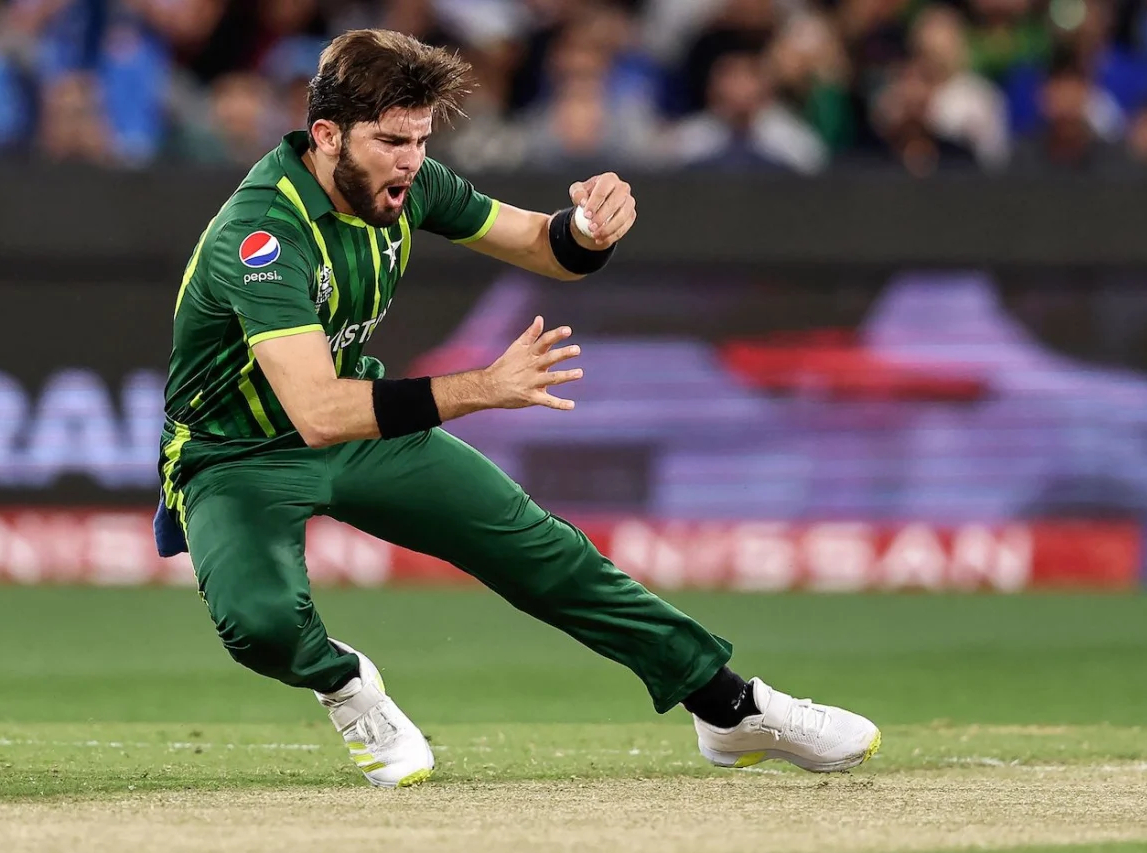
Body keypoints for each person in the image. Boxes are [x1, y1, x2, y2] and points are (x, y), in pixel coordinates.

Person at [153, 28, 881, 789]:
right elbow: (318, 412)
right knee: (261, 625)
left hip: (358, 430)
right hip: (235, 453)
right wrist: (483, 387)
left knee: (544, 553)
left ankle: (731, 708)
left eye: (422, 139)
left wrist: (590, 231)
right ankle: (346, 686)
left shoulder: (411, 181)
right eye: (391, 140)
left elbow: (540, 243)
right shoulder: (262, 234)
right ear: (326, 135)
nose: (410, 160)